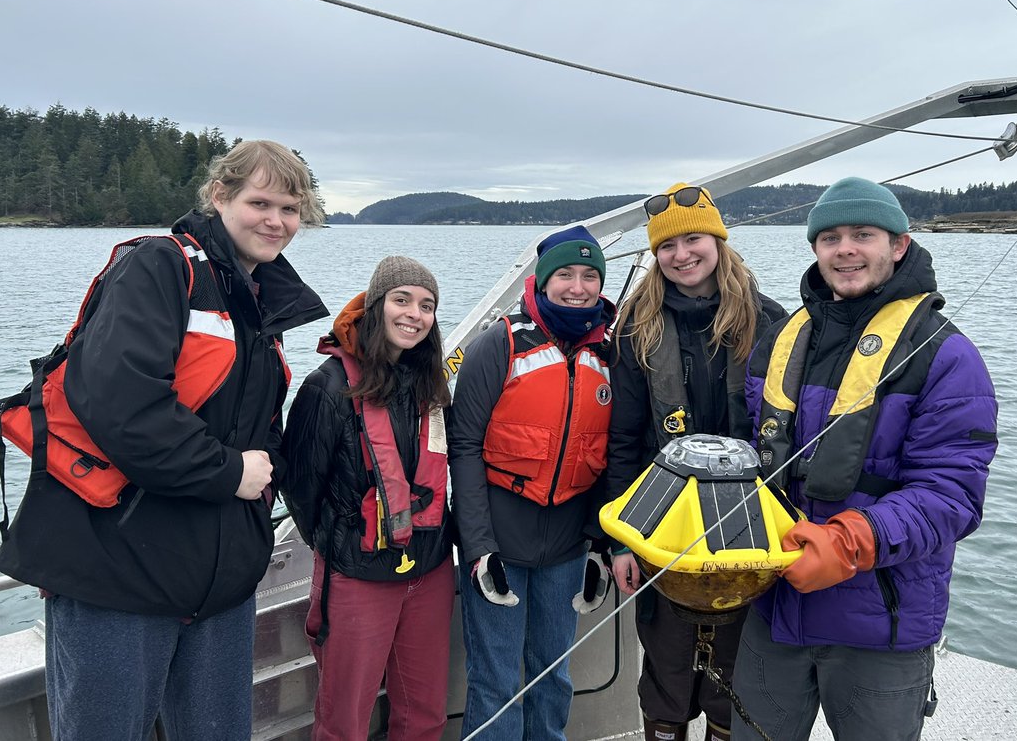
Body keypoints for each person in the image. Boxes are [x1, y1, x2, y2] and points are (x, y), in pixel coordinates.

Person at [0, 140, 328, 741]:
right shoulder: (159, 266)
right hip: (116, 574)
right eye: (260, 202)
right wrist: (229, 474)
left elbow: (254, 430)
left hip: (219, 583)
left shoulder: (256, 301)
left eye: (291, 208)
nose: (276, 220)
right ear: (220, 196)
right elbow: (122, 408)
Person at [732, 177, 998, 741]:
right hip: (773, 609)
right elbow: (748, 459)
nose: (845, 248)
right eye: (830, 237)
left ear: (898, 245)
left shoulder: (948, 356)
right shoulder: (777, 341)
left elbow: (952, 496)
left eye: (863, 234)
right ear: (814, 249)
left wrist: (848, 541)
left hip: (881, 622)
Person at [605, 183, 786, 741]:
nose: (682, 254)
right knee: (665, 665)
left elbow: (788, 435)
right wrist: (619, 542)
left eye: (693, 239)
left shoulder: (770, 321)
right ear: (654, 256)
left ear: (719, 240)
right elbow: (624, 439)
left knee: (736, 672)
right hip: (661, 521)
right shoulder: (637, 326)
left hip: (747, 522)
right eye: (667, 246)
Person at [449, 225, 616, 740]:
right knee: (495, 681)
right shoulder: (496, 345)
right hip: (500, 539)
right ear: (542, 281)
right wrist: (478, 548)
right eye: (565, 273)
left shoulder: (612, 353)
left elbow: (616, 455)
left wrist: (597, 546)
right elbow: (464, 447)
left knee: (553, 676)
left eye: (590, 275)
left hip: (567, 546)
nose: (578, 286)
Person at [281, 256, 454, 741]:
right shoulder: (328, 387)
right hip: (358, 574)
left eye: (426, 306)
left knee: (424, 713)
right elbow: (301, 487)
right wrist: (340, 543)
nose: (414, 314)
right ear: (376, 306)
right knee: (345, 719)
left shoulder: (431, 384)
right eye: (402, 300)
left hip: (430, 566)